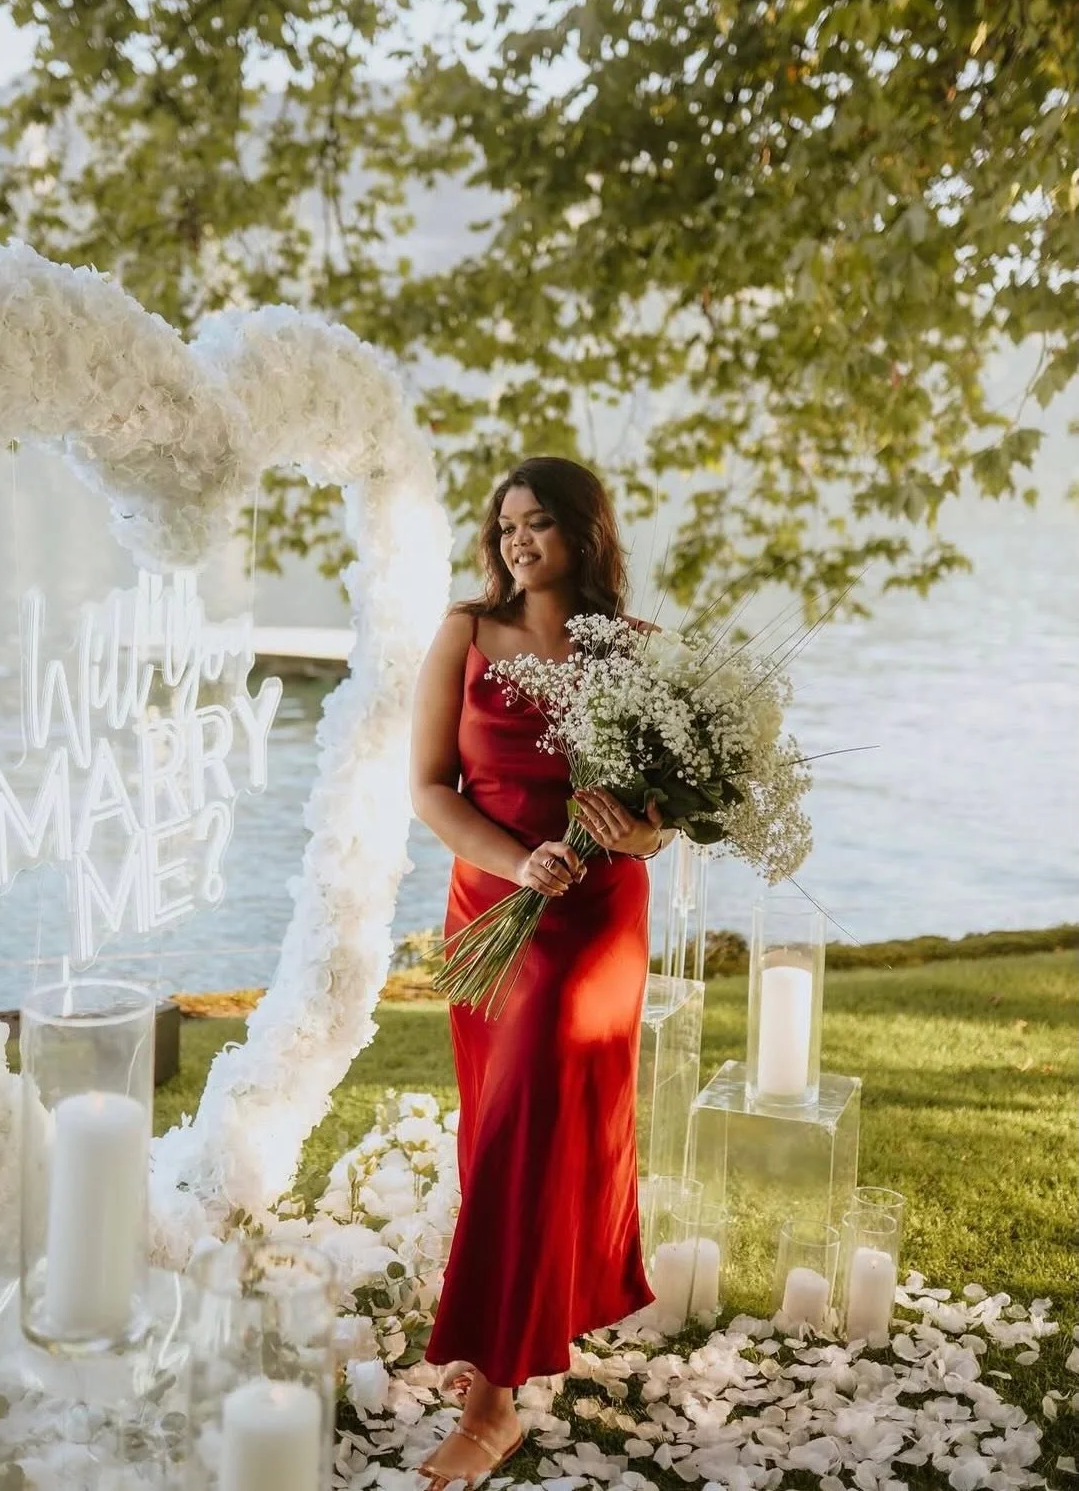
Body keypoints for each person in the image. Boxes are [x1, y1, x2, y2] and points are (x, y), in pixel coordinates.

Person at [409, 456, 669, 1489]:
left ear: (582, 531)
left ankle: (493, 1399)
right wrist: (518, 860)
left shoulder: (639, 652)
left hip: (596, 921)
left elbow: (667, 811)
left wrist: (639, 832)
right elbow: (429, 787)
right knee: (501, 1126)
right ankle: (517, 1325)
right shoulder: (465, 632)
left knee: (533, 1124)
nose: (519, 539)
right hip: (493, 908)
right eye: (506, 523)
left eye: (539, 520)